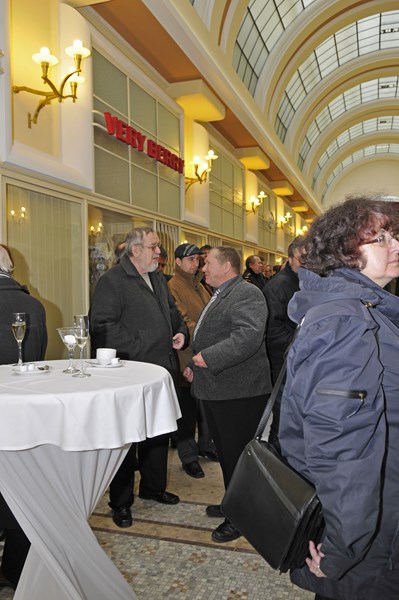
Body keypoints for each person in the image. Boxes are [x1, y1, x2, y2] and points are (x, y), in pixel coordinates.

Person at [278, 195, 399, 600]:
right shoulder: (347, 321)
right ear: (345, 252)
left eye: (394, 236)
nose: (396, 246)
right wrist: (342, 547)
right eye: (381, 239)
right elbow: (341, 446)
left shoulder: (361, 307)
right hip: (370, 534)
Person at [90, 227, 187, 528]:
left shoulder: (158, 277)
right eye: (155, 246)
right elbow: (103, 327)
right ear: (135, 250)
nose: (160, 252)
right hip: (130, 372)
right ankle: (120, 502)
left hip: (159, 371)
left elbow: (172, 313)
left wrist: (181, 331)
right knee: (127, 438)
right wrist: (147, 341)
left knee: (157, 432)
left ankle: (153, 487)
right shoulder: (112, 282)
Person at [184, 247, 272, 542]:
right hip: (219, 388)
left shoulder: (247, 293)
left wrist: (206, 357)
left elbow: (247, 336)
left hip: (240, 392)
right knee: (227, 455)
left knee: (239, 457)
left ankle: (241, 519)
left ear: (226, 266)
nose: (202, 268)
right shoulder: (222, 292)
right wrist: (194, 355)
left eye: (208, 263)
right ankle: (232, 503)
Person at [0, 244, 47, 588]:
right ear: (11, 270)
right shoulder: (33, 306)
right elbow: (38, 355)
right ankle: (16, 569)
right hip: (21, 418)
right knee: (20, 491)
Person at [167, 243, 216, 479]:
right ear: (177, 262)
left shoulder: (199, 284)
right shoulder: (173, 287)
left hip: (205, 353)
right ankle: (188, 456)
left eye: (197, 260)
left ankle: (206, 446)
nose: (195, 264)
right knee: (186, 410)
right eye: (190, 260)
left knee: (205, 407)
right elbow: (182, 321)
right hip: (186, 355)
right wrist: (211, 331)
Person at [262, 236, 303, 384]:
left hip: (301, 360)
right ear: (290, 258)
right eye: (302, 259)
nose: (307, 264)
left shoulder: (307, 281)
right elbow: (273, 332)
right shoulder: (277, 287)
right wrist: (305, 343)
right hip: (284, 365)